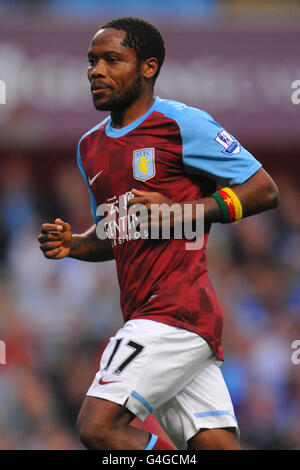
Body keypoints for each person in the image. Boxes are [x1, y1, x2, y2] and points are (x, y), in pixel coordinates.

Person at [38, 17, 279, 451]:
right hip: (154, 316)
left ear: (148, 67)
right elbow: (117, 234)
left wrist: (181, 212)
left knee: (97, 426)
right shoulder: (89, 147)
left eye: (112, 60)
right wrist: (76, 245)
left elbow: (265, 189)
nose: (97, 71)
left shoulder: (181, 124)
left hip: (175, 311)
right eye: (92, 61)